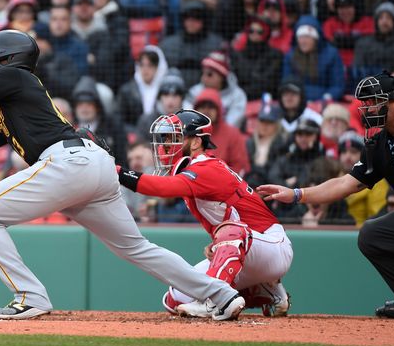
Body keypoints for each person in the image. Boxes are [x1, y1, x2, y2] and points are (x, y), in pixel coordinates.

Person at [0, 29, 246, 320]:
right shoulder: (13, 107)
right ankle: (221, 294)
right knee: (137, 247)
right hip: (92, 168)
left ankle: (29, 296)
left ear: (9, 59)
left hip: (69, 164)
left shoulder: (17, 77)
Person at [259, 71, 394, 318]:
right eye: (369, 103)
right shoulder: (383, 143)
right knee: (373, 235)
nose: (370, 109)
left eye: (377, 102)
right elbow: (345, 184)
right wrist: (297, 194)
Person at [118, 109, 292, 317]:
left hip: (272, 245)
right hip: (249, 249)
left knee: (231, 232)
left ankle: (215, 301)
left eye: (174, 138)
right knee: (174, 299)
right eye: (165, 138)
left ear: (195, 142)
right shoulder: (193, 168)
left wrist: (118, 171)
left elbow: (162, 188)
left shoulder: (206, 167)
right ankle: (265, 291)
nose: (166, 145)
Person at [281, 18, 345, 103]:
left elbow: (337, 85)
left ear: (316, 39)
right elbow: (287, 84)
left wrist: (326, 98)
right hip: (297, 103)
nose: (303, 41)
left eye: (307, 37)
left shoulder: (331, 55)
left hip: (325, 103)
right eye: (300, 37)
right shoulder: (290, 56)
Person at [191, 88, 250, 177]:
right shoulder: (189, 133)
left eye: (211, 107)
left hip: (224, 186)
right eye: (202, 107)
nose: (206, 111)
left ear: (218, 110)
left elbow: (240, 167)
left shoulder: (233, 134)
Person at [117, 46, 168, 130]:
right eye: (142, 65)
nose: (145, 69)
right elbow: (120, 119)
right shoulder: (126, 91)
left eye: (150, 65)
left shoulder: (166, 91)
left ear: (158, 68)